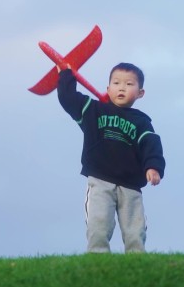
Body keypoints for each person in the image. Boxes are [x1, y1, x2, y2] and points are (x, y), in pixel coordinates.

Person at [57, 62, 166, 253]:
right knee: (98, 223)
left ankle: (137, 259)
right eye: (116, 83)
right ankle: (98, 257)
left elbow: (151, 145)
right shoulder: (94, 110)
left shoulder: (141, 121)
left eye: (129, 84)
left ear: (140, 93)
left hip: (131, 185)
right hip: (100, 180)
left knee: (135, 229)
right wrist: (66, 75)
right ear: (108, 89)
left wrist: (153, 167)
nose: (122, 87)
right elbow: (69, 99)